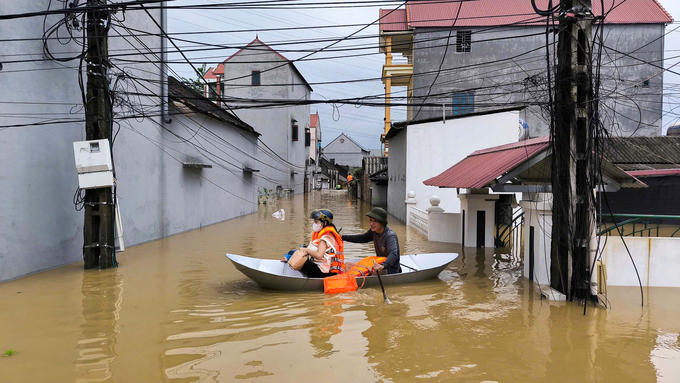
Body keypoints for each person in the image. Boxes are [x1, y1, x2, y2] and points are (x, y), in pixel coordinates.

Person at [282, 209, 345, 278]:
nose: (314, 224)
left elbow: (319, 255)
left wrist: (305, 250)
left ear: (324, 223)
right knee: (294, 253)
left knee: (299, 260)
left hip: (324, 273)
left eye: (316, 222)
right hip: (326, 269)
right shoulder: (326, 234)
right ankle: (289, 257)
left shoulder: (325, 237)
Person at [342, 207, 401, 274]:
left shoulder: (390, 235)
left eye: (375, 221)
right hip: (377, 264)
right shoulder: (374, 232)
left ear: (382, 222)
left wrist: (382, 266)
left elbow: (393, 254)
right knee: (347, 265)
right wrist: (342, 237)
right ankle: (350, 281)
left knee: (376, 271)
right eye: (370, 220)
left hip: (389, 269)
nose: (372, 224)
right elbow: (362, 238)